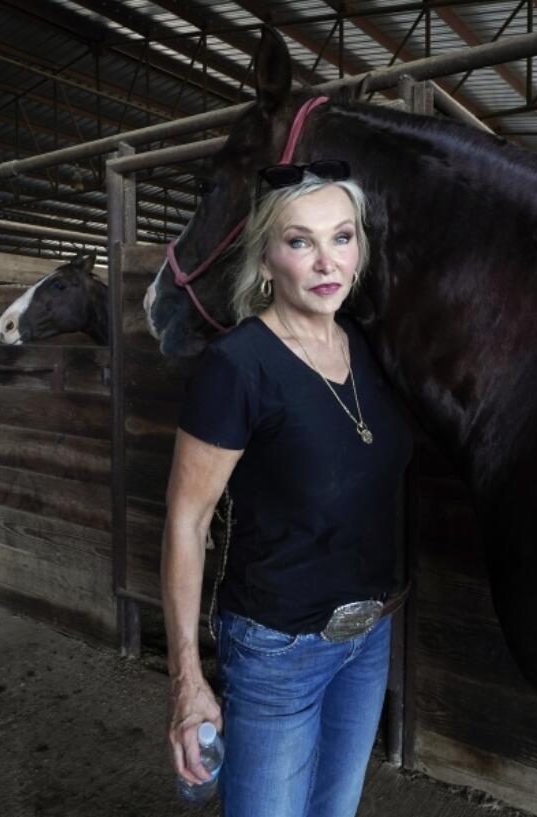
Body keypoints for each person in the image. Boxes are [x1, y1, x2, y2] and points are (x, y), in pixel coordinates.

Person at [161, 162, 413, 817]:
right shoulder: (237, 366)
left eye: (343, 236)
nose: (327, 260)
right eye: (301, 241)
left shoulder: (363, 346)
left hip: (370, 635)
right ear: (268, 259)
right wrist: (187, 680)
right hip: (279, 648)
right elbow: (187, 521)